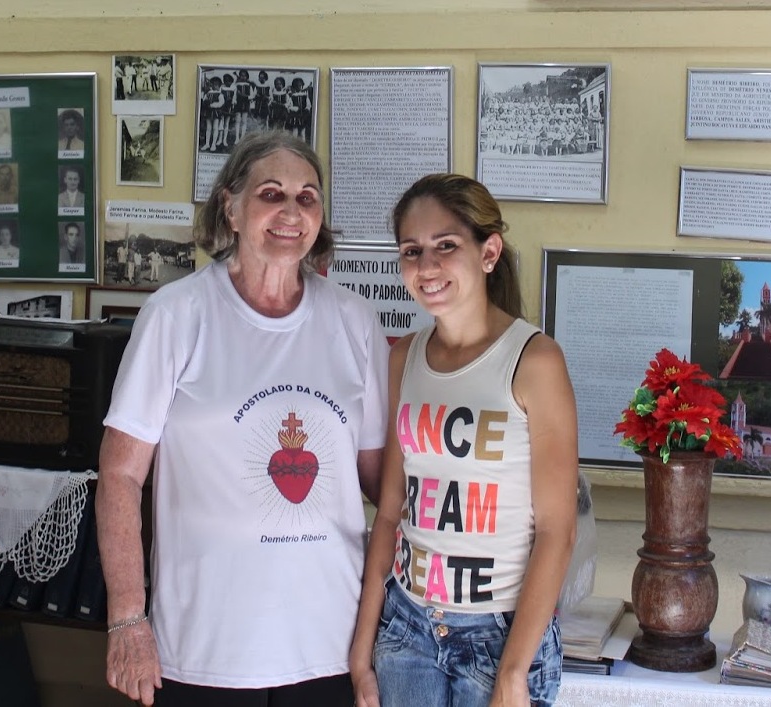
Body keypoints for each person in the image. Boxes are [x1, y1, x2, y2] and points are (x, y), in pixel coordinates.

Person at [95, 130, 389, 707]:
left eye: (307, 198)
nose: (291, 211)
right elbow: (120, 476)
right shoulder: (177, 314)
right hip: (205, 651)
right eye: (272, 194)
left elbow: (381, 485)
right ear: (230, 206)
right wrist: (127, 619)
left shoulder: (355, 322)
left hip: (329, 645)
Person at [349, 174, 578, 707]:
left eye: (445, 246)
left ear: (489, 251)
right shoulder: (403, 356)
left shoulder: (534, 361)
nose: (426, 267)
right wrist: (363, 652)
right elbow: (389, 514)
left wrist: (514, 673)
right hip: (407, 628)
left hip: (497, 633)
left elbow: (557, 530)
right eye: (412, 251)